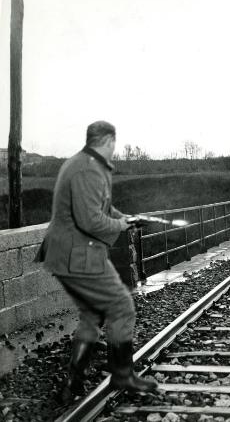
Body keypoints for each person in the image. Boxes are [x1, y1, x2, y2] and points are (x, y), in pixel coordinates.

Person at [35, 121, 157, 402]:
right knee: (122, 306)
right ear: (108, 141)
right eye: (114, 144)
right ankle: (122, 374)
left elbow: (102, 208)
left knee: (92, 314)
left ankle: (72, 385)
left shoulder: (85, 164)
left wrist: (127, 219)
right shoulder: (88, 169)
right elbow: (90, 220)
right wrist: (121, 226)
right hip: (77, 254)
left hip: (69, 253)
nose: (115, 149)